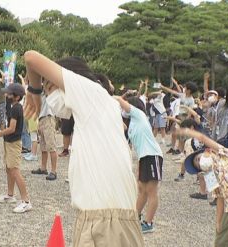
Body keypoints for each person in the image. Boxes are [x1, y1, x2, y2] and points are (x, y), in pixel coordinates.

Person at [24, 52, 143, 246]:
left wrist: (34, 92)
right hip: (102, 219)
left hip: (104, 223)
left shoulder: (89, 92)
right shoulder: (98, 106)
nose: (49, 96)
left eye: (50, 88)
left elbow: (30, 58)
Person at [176, 127, 228, 247]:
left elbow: (203, 138)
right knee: (221, 241)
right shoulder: (209, 176)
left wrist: (186, 132)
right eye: (198, 165)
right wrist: (218, 222)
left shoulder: (222, 153)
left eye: (197, 159)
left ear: (206, 152)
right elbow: (220, 198)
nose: (199, 162)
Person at [116, 96, 163, 233]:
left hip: (152, 155)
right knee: (141, 189)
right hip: (143, 158)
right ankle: (134, 218)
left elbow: (120, 100)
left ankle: (148, 223)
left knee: (151, 190)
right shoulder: (132, 125)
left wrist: (105, 96)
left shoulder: (139, 114)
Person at [0, 83, 32, 213]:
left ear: (16, 96)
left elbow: (12, 129)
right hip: (9, 142)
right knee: (9, 169)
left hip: (14, 143)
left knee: (15, 170)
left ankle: (26, 201)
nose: (6, 95)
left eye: (9, 94)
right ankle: (10, 195)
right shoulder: (12, 106)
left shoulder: (16, 108)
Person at [31, 93, 58, 180]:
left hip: (48, 118)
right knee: (43, 146)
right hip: (41, 118)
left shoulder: (46, 91)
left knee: (51, 146)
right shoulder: (39, 92)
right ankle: (43, 168)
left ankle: (54, 171)